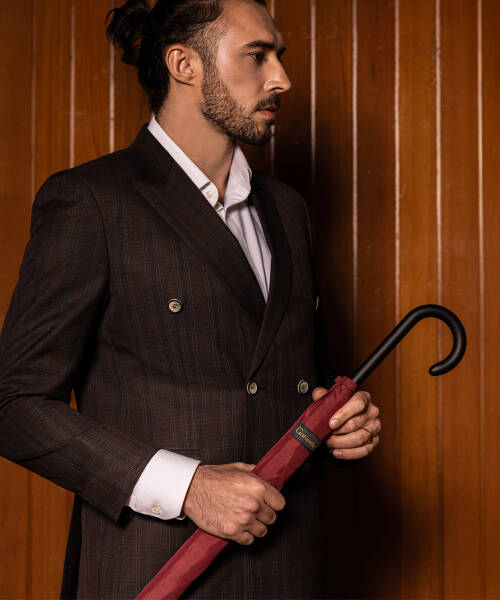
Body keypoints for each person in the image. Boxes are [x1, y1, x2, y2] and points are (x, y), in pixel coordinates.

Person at [0, 0, 381, 597]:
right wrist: (188, 487)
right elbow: (13, 403)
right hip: (154, 571)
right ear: (184, 64)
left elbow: (299, 380)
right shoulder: (92, 200)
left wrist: (341, 425)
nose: (282, 78)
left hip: (290, 571)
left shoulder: (288, 210)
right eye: (257, 56)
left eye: (279, 56)